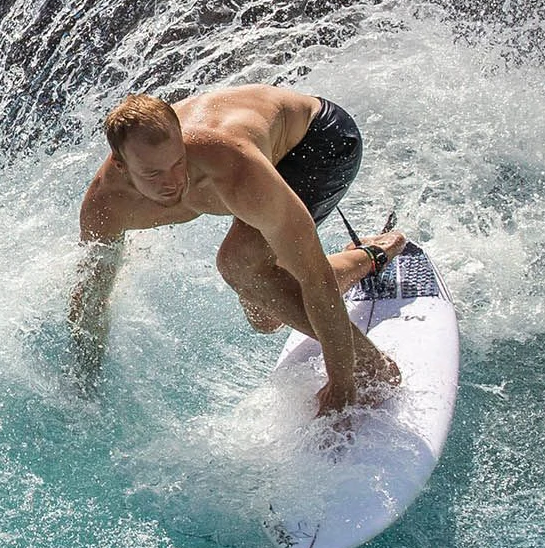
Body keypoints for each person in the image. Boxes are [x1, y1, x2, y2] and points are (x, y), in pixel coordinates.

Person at [68, 84, 405, 414]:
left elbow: (314, 275)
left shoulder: (230, 166)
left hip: (317, 143)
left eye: (178, 162)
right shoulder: (105, 208)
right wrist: (84, 383)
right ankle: (369, 256)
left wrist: (343, 381)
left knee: (240, 264)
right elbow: (92, 300)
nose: (172, 182)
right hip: (265, 154)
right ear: (121, 165)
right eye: (153, 174)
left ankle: (375, 365)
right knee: (266, 316)